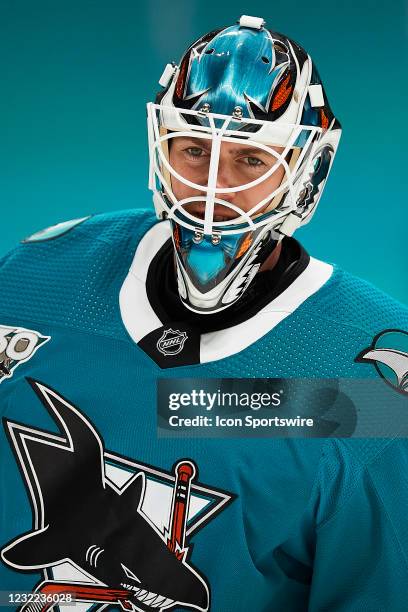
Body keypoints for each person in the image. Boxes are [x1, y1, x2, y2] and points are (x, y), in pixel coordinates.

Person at [1, 14, 408, 611]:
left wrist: (211, 407)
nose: (212, 188)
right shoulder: (36, 279)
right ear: (160, 147)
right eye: (193, 149)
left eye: (250, 160)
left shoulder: (368, 385)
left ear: (307, 171)